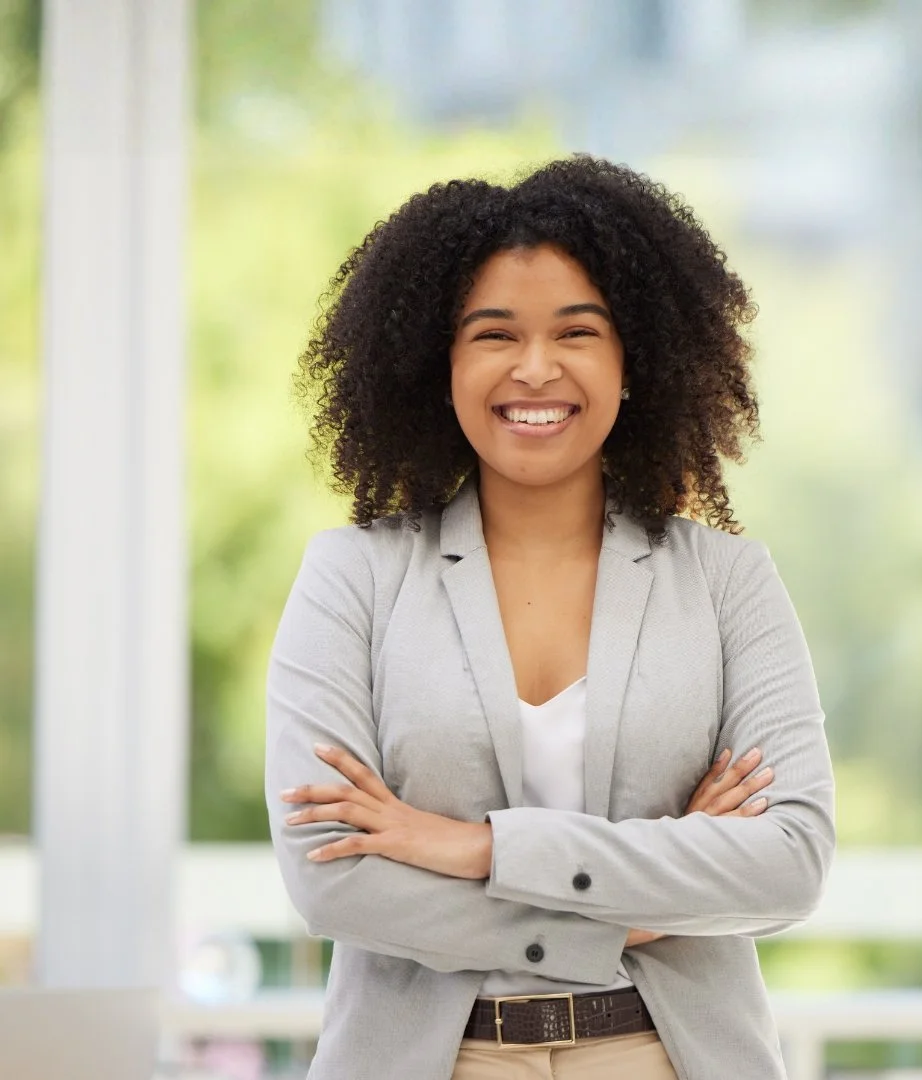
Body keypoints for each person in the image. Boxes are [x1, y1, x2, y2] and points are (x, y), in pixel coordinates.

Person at [265, 155, 834, 1080]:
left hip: (668, 1057)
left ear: (634, 358)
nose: (537, 368)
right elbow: (333, 879)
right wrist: (652, 893)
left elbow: (788, 862)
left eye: (578, 330)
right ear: (435, 363)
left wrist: (473, 848)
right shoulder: (351, 579)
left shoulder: (732, 582)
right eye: (494, 334)